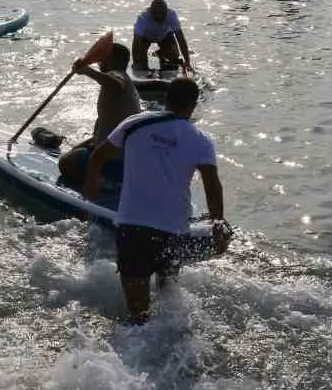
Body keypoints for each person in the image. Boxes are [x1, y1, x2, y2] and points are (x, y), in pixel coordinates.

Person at [83, 77, 226, 323]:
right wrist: (217, 224)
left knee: (138, 316)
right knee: (168, 296)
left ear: (167, 99)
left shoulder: (134, 123)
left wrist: (92, 181)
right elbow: (212, 185)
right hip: (173, 231)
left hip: (133, 228)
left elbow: (100, 154)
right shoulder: (201, 140)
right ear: (193, 106)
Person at [56, 42, 142, 185]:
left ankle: (102, 184)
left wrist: (87, 71)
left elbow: (116, 83)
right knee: (71, 153)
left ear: (113, 60)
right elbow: (99, 133)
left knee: (65, 163)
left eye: (103, 58)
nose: (99, 61)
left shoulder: (117, 75)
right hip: (123, 157)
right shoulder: (125, 85)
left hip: (114, 161)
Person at [131, 0, 193, 72]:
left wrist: (188, 62)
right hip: (146, 37)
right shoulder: (143, 18)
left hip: (164, 35)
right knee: (140, 59)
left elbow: (181, 40)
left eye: (162, 13)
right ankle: (141, 64)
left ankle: (160, 53)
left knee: (174, 54)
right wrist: (136, 63)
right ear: (151, 12)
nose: (159, 16)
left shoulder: (171, 16)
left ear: (166, 11)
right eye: (156, 13)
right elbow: (136, 43)